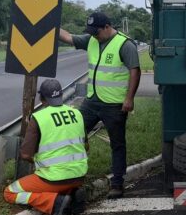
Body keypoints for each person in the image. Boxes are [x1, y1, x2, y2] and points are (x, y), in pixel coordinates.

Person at [59, 12, 141, 198]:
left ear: (107, 27)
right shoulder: (91, 40)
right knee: (76, 132)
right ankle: (71, 174)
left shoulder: (124, 44)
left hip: (114, 104)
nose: (94, 35)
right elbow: (68, 37)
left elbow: (135, 71)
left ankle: (117, 184)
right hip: (92, 100)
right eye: (91, 32)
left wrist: (129, 99)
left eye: (96, 31)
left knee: (117, 143)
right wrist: (49, 25)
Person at [4, 78, 88, 215]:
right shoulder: (77, 113)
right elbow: (86, 147)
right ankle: (73, 194)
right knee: (63, 182)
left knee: (10, 192)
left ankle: (55, 202)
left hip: (53, 179)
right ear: (61, 95)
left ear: (41, 98)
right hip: (79, 176)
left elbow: (25, 154)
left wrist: (38, 161)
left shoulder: (39, 118)